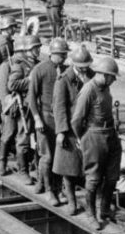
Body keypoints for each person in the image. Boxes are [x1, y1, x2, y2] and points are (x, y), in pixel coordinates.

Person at [72, 56, 122, 230]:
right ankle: (91, 214)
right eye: (112, 76)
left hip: (110, 133)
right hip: (94, 135)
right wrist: (82, 138)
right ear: (104, 75)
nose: (114, 80)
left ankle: (105, 209)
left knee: (112, 175)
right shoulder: (89, 89)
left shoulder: (106, 89)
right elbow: (77, 119)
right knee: (93, 178)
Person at [52, 45, 93, 215]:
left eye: (86, 66)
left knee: (88, 166)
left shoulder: (92, 77)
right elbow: (59, 107)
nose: (84, 70)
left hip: (87, 128)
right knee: (68, 168)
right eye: (81, 67)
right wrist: (61, 131)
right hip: (69, 128)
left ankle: (92, 204)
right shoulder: (64, 80)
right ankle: (72, 201)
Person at [29, 38, 69, 206]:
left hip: (60, 120)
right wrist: (37, 119)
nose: (64, 57)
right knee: (47, 156)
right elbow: (31, 97)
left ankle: (58, 188)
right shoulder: (40, 70)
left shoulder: (67, 71)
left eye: (65, 54)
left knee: (60, 157)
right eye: (62, 55)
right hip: (45, 118)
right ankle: (49, 191)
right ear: (53, 54)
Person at [7, 34, 41, 187]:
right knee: (24, 140)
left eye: (38, 47)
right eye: (35, 48)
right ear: (27, 49)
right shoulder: (19, 65)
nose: (38, 50)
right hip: (26, 108)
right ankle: (23, 171)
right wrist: (29, 81)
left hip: (38, 106)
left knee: (40, 140)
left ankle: (39, 170)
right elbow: (12, 85)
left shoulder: (38, 64)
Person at [0, 38, 24, 176]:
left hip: (24, 106)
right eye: (22, 51)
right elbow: (2, 90)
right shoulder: (6, 66)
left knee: (22, 137)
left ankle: (22, 165)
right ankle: (2, 161)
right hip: (11, 107)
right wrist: (8, 103)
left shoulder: (27, 65)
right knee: (8, 134)